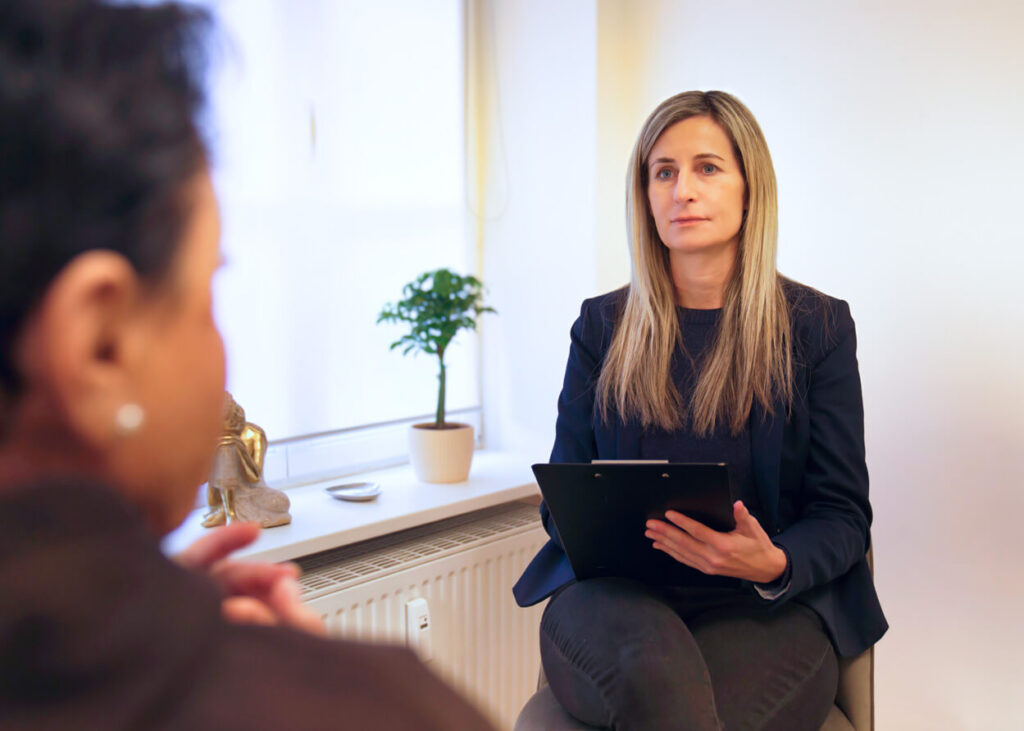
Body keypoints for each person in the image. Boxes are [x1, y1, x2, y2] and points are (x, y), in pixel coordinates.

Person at [0, 1, 494, 729]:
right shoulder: (381, 709)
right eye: (210, 284)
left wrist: (133, 619)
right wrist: (311, 688)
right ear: (100, 345)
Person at [513, 91, 888, 730]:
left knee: (683, 712)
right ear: (647, 194)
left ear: (749, 188)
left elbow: (842, 514)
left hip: (765, 610)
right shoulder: (601, 327)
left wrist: (775, 562)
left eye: (707, 168)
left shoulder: (817, 328)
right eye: (664, 171)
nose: (682, 189)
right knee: (660, 685)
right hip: (613, 604)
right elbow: (562, 497)